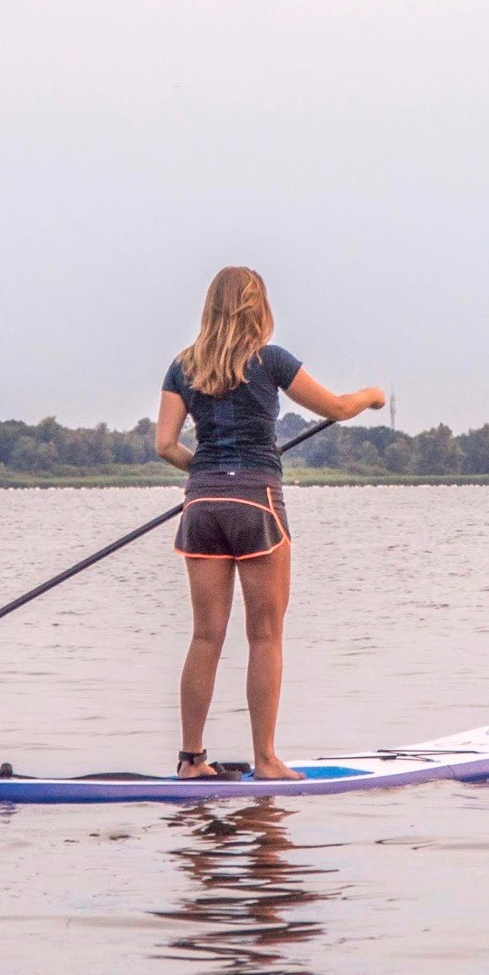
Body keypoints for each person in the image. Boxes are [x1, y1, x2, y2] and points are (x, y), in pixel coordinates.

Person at [155, 267, 385, 781]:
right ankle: (266, 761)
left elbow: (166, 445)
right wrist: (372, 394)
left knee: (205, 636)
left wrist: (211, 473)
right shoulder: (270, 359)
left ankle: (191, 761)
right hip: (256, 502)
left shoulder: (182, 365)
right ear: (258, 306)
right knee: (265, 635)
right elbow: (338, 408)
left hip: (202, 507)